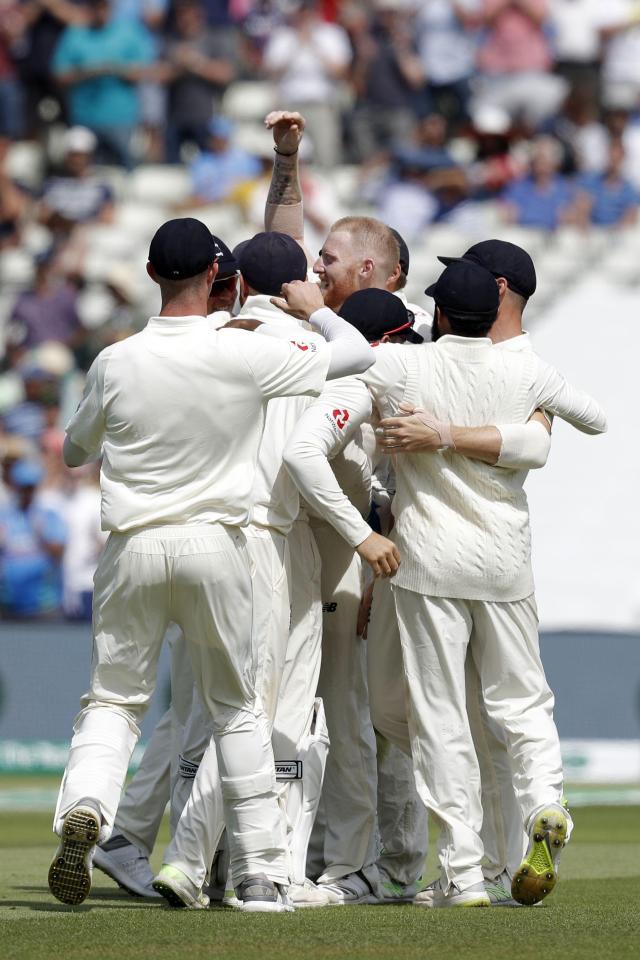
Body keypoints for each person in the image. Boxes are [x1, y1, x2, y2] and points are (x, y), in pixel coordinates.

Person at [48, 215, 374, 910]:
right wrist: (316, 313)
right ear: (218, 280)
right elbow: (357, 355)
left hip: (132, 546)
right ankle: (259, 872)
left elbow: (75, 453)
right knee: (237, 712)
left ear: (149, 276)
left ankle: (87, 810)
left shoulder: (117, 359)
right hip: (217, 546)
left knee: (114, 702)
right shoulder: (239, 351)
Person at [281, 256, 606, 907]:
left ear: (446, 314)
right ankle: (547, 802)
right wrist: (535, 415)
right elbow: (595, 417)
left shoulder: (402, 366)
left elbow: (339, 382)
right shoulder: (527, 368)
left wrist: (312, 309)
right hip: (506, 561)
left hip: (428, 564)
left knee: (441, 719)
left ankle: (462, 875)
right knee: (523, 703)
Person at [53, 0, 156, 168]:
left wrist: (117, 69)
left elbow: (145, 71)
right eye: (96, 6)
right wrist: (86, 72)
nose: (101, 11)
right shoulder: (75, 33)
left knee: (126, 169)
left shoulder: (129, 32)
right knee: (84, 171)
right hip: (84, 117)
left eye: (104, 6)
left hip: (121, 119)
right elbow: (60, 75)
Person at [0, 458, 67, 618]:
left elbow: (59, 551)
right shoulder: (5, 516)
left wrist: (41, 533)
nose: (26, 493)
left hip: (43, 606)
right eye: (22, 488)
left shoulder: (49, 516)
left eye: (30, 488)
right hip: (7, 604)